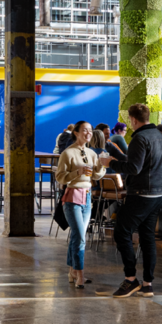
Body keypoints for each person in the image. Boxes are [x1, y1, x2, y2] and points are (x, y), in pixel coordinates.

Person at [100, 103, 162, 298]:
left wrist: (111, 162)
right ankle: (147, 284)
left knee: (121, 232)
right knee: (147, 237)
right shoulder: (160, 136)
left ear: (133, 119)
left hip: (141, 194)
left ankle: (130, 279)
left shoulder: (140, 138)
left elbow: (134, 168)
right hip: (158, 193)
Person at [55, 120, 106, 289]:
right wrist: (78, 172)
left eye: (90, 130)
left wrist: (102, 165)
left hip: (87, 197)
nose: (88, 133)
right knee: (80, 236)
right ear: (76, 133)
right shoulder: (67, 153)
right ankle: (80, 275)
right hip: (72, 198)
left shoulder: (91, 153)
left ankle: (72, 271)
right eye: (84, 130)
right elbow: (60, 177)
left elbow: (96, 176)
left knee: (78, 236)